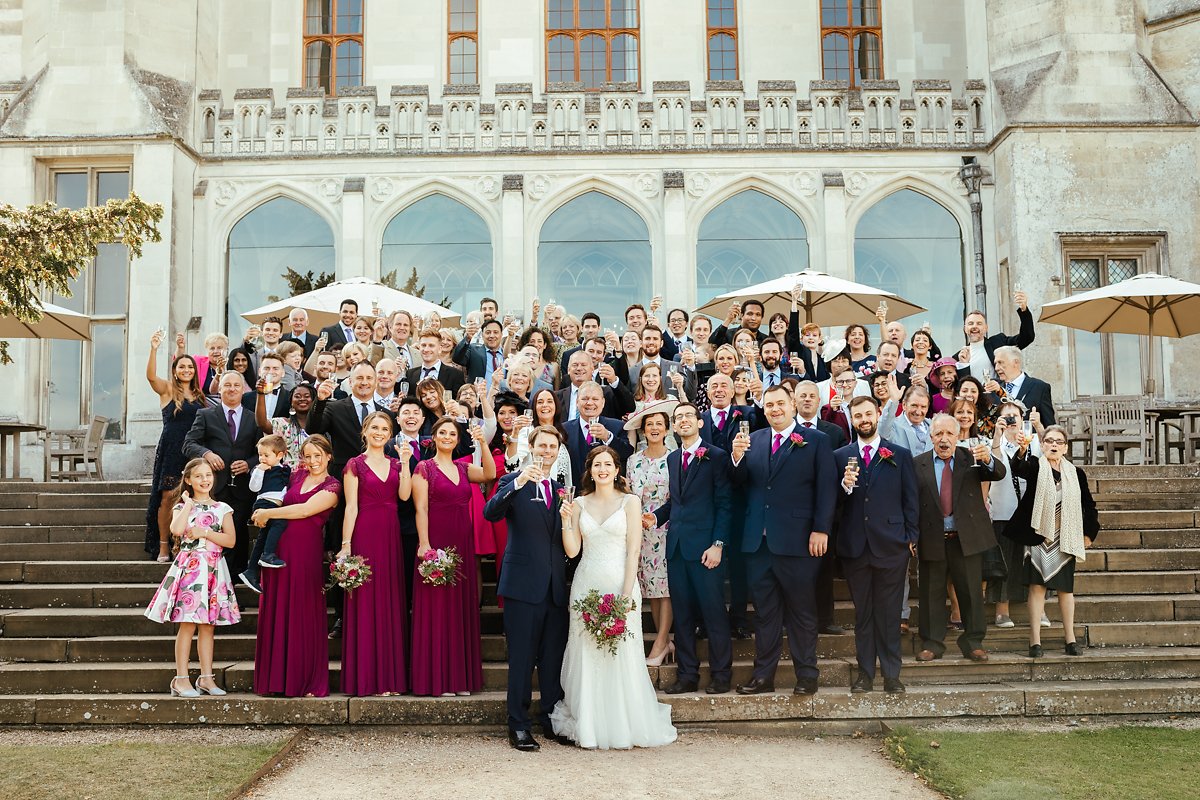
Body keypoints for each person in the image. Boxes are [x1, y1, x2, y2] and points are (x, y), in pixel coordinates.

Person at [552, 446, 678, 749]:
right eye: (597, 465)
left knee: (622, 651)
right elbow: (572, 550)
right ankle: (590, 722)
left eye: (608, 464)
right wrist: (566, 519)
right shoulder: (579, 503)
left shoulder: (631, 502)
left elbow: (634, 549)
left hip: (620, 582)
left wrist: (625, 594)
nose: (603, 469)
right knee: (588, 651)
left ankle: (622, 722)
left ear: (617, 469)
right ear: (590, 470)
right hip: (586, 583)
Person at [729, 384, 836, 695]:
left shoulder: (816, 441)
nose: (774, 409)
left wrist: (821, 528)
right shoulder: (754, 441)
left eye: (779, 403)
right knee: (764, 613)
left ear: (792, 405)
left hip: (799, 541)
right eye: (769, 405)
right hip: (758, 543)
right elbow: (739, 484)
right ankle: (764, 677)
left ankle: (807, 675)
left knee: (802, 612)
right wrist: (736, 458)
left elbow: (826, 489)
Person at [484, 426, 573, 752]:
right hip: (522, 586)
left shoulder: (564, 489)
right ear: (532, 448)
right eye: (542, 446)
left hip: (554, 589)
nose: (547, 451)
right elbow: (490, 512)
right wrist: (519, 482)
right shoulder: (513, 482)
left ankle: (551, 719)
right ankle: (518, 725)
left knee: (552, 660)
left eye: (553, 446)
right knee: (521, 660)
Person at [835, 397, 920, 694]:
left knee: (889, 614)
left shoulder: (899, 454)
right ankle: (865, 675)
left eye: (868, 413)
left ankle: (892, 674)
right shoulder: (840, 456)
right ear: (852, 420)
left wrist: (912, 536)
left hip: (892, 546)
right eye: (857, 415)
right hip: (856, 547)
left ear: (877, 415)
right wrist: (845, 486)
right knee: (864, 615)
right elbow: (833, 507)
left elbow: (911, 499)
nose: (864, 419)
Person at [650, 402, 734, 694]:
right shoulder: (673, 458)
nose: (683, 421)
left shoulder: (717, 456)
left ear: (700, 423)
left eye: (688, 416)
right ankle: (687, 675)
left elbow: (725, 504)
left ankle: (722, 675)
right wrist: (656, 517)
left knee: (713, 613)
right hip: (676, 548)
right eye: (678, 418)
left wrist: (718, 544)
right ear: (674, 426)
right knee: (682, 615)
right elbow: (676, 501)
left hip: (706, 550)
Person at [410, 417, 495, 696]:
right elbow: (420, 509)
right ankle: (438, 679)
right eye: (442, 433)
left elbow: (489, 474)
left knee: (459, 608)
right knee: (437, 609)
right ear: (434, 437)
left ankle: (460, 679)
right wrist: (425, 545)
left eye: (452, 434)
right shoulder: (424, 468)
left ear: (458, 440)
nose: (447, 437)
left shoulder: (463, 467)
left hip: (462, 542)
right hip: (436, 541)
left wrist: (482, 441)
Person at [252, 435, 341, 697]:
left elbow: (304, 510)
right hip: (278, 550)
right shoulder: (296, 477)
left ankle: (305, 680)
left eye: (317, 456)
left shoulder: (333, 486)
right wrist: (262, 508)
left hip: (305, 553)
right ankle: (275, 680)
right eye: (307, 456)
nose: (312, 461)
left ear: (328, 457)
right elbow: (275, 495)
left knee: (303, 611)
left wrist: (269, 514)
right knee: (276, 608)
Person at [144, 458, 240, 697]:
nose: (205, 480)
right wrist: (186, 503)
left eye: (208, 475)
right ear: (188, 480)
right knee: (187, 624)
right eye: (198, 476)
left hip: (214, 567)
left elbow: (230, 540)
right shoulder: (181, 507)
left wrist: (205, 532)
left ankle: (207, 678)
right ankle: (181, 678)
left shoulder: (222, 508)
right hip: (191, 567)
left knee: (208, 626)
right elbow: (176, 530)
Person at [913, 414, 1005, 663]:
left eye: (949, 434)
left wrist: (987, 458)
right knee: (931, 593)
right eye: (939, 434)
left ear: (958, 436)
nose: (944, 440)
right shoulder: (916, 464)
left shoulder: (971, 458)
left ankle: (973, 642)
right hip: (932, 537)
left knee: (971, 593)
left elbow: (998, 472)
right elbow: (909, 503)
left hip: (966, 539)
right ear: (931, 437)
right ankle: (932, 644)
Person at [1005, 424, 1099, 658]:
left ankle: (1070, 640)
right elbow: (1018, 468)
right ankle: (1035, 642)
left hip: (1065, 537)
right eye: (1048, 441)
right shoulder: (1036, 466)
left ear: (1065, 447)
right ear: (1042, 445)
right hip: (1038, 536)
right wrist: (1021, 450)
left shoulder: (1076, 473)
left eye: (1058, 441)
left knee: (1066, 590)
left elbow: (1089, 506)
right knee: (1037, 588)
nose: (1053, 445)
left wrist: (1089, 533)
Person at [337, 412, 410, 696]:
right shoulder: (354, 465)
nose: (380, 433)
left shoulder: (395, 462)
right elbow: (351, 507)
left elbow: (404, 496)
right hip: (365, 534)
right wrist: (346, 545)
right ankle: (365, 678)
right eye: (375, 428)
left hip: (390, 536)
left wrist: (405, 463)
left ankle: (390, 679)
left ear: (390, 434)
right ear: (365, 431)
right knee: (365, 602)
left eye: (385, 429)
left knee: (389, 601)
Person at [182, 371, 260, 576]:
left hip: (242, 487)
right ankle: (210, 578)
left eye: (236, 385)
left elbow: (260, 452)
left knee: (239, 532)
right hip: (213, 487)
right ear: (220, 389)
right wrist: (206, 453)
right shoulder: (206, 415)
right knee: (214, 533)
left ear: (243, 389)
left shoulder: (254, 418)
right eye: (227, 385)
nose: (232, 389)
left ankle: (234, 584)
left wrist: (249, 463)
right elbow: (189, 444)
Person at [144, 330, 206, 562]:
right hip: (172, 448)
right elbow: (151, 377)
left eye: (190, 367)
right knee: (169, 497)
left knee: (191, 496)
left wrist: (181, 350)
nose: (186, 370)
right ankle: (163, 546)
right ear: (175, 371)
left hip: (194, 450)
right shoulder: (168, 390)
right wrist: (154, 348)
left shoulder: (200, 395)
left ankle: (183, 542)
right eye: (182, 367)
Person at [624, 405, 677, 668]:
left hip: (666, 530)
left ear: (667, 429)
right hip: (640, 532)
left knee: (665, 588)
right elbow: (630, 494)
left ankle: (661, 641)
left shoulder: (675, 458)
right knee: (651, 590)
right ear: (643, 430)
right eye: (649, 424)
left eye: (659, 424)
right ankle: (664, 639)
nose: (654, 428)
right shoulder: (634, 461)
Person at [987, 401, 1039, 627]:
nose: (1010, 420)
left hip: (1029, 511)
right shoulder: (991, 443)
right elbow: (994, 463)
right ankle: (1001, 610)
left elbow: (1049, 455)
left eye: (1014, 416)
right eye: (1005, 416)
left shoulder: (1033, 440)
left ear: (1022, 419)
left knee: (1034, 564)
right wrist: (997, 435)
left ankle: (1038, 610)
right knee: (1004, 562)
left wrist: (1038, 427)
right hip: (1003, 510)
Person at [235, 434, 292, 593]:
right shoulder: (260, 469)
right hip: (264, 503)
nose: (262, 458)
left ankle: (251, 571)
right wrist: (259, 470)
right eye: (260, 455)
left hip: (276, 504)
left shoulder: (286, 469)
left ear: (279, 455)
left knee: (262, 538)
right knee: (280, 522)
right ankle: (268, 555)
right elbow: (253, 488)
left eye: (266, 455)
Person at [563, 382, 634, 486]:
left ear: (603, 402)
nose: (590, 403)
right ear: (577, 402)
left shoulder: (617, 426)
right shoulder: (564, 429)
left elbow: (627, 453)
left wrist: (608, 437)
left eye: (595, 399)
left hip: (607, 493)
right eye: (585, 399)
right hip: (576, 493)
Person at [956, 290, 1036, 379]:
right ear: (965, 329)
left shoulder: (998, 342)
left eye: (979, 323)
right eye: (970, 324)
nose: (974, 326)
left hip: (999, 392)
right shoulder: (959, 357)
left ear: (986, 328)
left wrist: (1024, 310)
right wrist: (963, 364)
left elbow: (1027, 338)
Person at [990, 345, 1056, 426]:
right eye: (995, 363)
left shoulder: (1040, 388)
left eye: (1000, 362)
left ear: (1016, 362)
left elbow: (1050, 426)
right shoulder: (993, 387)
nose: (996, 368)